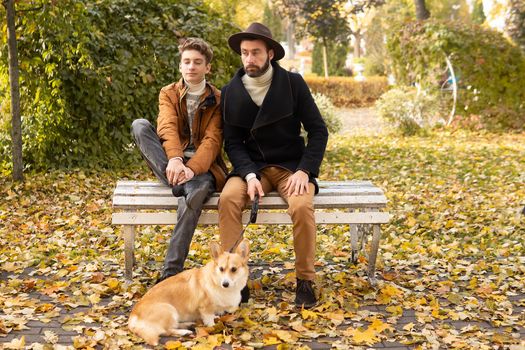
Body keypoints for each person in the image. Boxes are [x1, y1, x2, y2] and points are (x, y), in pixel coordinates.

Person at [219, 23, 329, 308]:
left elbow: (318, 131)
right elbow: (232, 142)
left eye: (255, 52)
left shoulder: (293, 83)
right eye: (244, 53)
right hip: (251, 167)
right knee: (229, 198)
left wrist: (305, 170)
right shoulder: (230, 91)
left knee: (302, 206)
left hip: (291, 166)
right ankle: (236, 283)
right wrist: (249, 174)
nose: (249, 59)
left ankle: (305, 280)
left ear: (270, 53)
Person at [131, 38, 227, 283]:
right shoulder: (168, 93)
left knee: (192, 198)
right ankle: (181, 183)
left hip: (202, 169)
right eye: (186, 62)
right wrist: (174, 159)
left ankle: (169, 274)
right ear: (180, 66)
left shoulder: (217, 98)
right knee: (140, 126)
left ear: (208, 68)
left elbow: (213, 141)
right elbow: (167, 127)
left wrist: (191, 169)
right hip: (171, 164)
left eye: (197, 62)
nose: (191, 67)